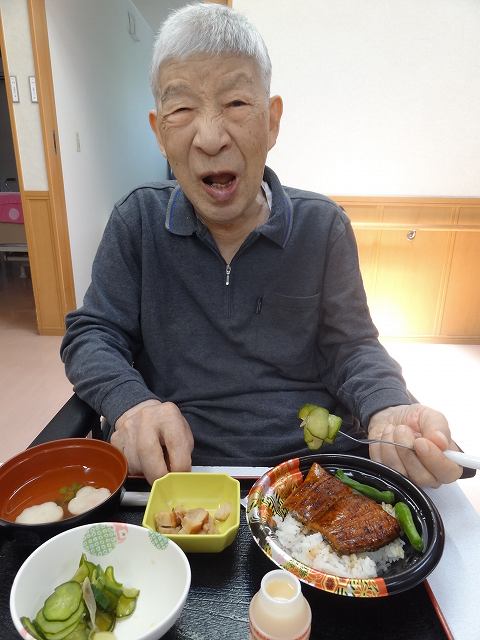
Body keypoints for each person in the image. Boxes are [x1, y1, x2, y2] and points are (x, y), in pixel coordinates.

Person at [60, 3, 462, 488]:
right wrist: (132, 404)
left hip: (311, 475)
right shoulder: (137, 220)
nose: (210, 138)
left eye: (235, 103)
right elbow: (92, 334)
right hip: (177, 475)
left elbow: (352, 347)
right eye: (182, 109)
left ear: (272, 121)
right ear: (159, 132)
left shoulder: (323, 226)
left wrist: (389, 405)